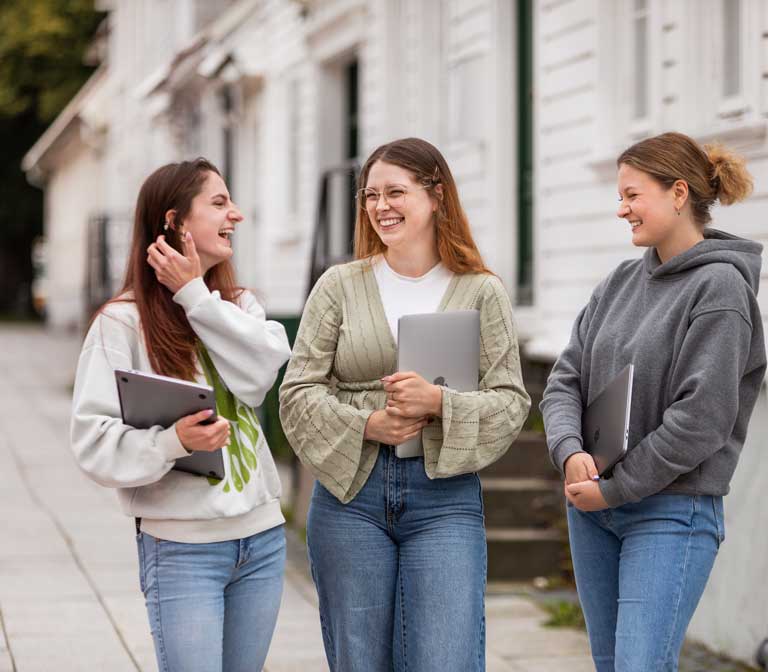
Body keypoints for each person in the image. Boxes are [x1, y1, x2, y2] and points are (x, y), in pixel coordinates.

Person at [279, 137, 530, 672]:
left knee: (445, 658)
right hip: (351, 497)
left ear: (436, 195)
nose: (380, 207)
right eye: (370, 195)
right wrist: (367, 423)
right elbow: (297, 392)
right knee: (360, 660)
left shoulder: (481, 291)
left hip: (444, 499)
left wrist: (440, 401)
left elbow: (511, 402)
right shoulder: (339, 286)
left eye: (396, 192)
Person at [540, 132, 768, 671]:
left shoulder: (720, 289)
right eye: (620, 196)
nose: (621, 210)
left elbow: (701, 420)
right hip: (594, 511)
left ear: (679, 193)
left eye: (632, 195)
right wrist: (570, 451)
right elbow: (564, 380)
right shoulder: (618, 283)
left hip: (670, 511)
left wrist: (616, 488)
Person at [70, 158, 292, 672]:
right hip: (182, 548)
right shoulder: (121, 323)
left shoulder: (241, 308)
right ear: (175, 222)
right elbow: (92, 442)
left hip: (260, 540)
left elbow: (259, 379)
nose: (235, 214)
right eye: (218, 203)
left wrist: (194, 295)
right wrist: (173, 443)